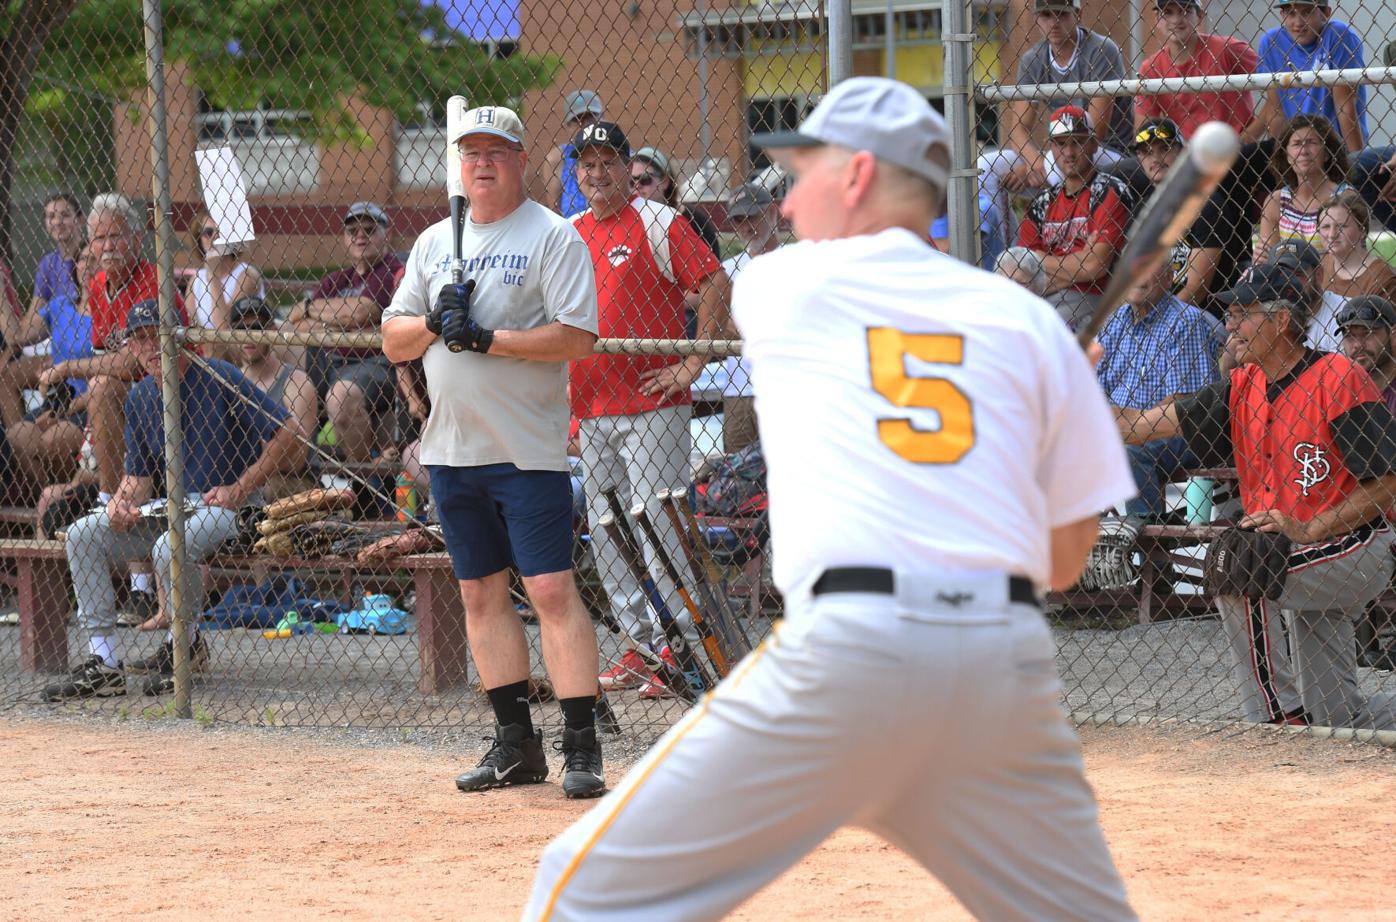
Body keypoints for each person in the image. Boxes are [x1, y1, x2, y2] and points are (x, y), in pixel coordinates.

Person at [527, 76, 1137, 921]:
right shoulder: (1027, 325)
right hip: (999, 675)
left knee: (582, 892)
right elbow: (1064, 560)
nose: (786, 203)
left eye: (806, 174)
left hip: (850, 661)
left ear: (857, 178)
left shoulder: (786, 291)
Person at [380, 105, 606, 799]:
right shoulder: (430, 245)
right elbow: (393, 339)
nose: (482, 163)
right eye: (470, 152)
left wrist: (486, 338)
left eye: (496, 151)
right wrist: (433, 320)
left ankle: (581, 744)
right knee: (479, 592)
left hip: (527, 448)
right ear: (458, 164)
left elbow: (577, 337)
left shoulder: (552, 236)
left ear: (519, 157)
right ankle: (516, 744)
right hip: (451, 449)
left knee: (547, 589)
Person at [1116, 263, 1396, 728]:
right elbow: (1138, 427)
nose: (1228, 325)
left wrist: (1309, 528)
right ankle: (1315, 721)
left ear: (1282, 321)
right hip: (1294, 552)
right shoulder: (1243, 386)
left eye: (1242, 314)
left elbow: (1387, 481)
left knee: (1239, 566)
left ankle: (1275, 722)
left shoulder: (1337, 377)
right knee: (1340, 719)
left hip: (1355, 547)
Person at [41, 298, 301, 701]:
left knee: (169, 545)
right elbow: (138, 480)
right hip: (171, 509)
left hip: (229, 507)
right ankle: (105, 663)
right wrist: (120, 503)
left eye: (154, 337)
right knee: (82, 534)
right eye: (138, 340)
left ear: (180, 339)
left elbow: (287, 429)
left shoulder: (217, 374)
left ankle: (183, 647)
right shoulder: (142, 396)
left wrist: (241, 487)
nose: (147, 348)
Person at [568, 119, 731, 700]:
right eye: (586, 163)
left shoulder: (658, 220)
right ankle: (641, 647)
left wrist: (693, 363)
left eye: (607, 161)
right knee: (608, 533)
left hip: (651, 404)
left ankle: (682, 646)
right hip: (592, 407)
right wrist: (569, 410)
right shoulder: (570, 233)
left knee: (658, 526)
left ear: (625, 165)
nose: (596, 172)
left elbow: (714, 282)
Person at [977, 0, 1130, 243]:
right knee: (986, 167)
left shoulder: (1101, 49)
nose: (1053, 22)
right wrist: (1035, 162)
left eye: (1061, 14)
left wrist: (1047, 165)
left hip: (1108, 151)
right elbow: (1017, 128)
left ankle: (1066, 250)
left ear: (1078, 15)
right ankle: (1010, 252)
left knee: (1057, 164)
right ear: (1036, 18)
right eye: (1046, 14)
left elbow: (1094, 131)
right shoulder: (1033, 58)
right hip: (1058, 155)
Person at [1095, 260, 1224, 528]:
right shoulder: (1115, 322)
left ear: (1168, 278)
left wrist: (1128, 424)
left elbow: (1185, 403)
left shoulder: (1184, 321)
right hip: (1119, 426)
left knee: (1131, 450)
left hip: (1179, 430)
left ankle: (1147, 545)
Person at [285, 202, 403, 466]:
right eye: (352, 231)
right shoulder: (336, 279)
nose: (360, 236)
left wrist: (316, 313)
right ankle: (302, 469)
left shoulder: (392, 271)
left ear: (387, 235)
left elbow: (362, 311)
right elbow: (296, 321)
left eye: (369, 229)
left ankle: (365, 482)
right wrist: (341, 322)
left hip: (376, 363)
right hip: (329, 360)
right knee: (281, 343)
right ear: (344, 238)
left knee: (340, 395)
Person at [1014, 105, 1132, 331]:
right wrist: (1078, 263)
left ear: (1094, 144)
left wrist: (1041, 261)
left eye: (1077, 142)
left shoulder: (1108, 191)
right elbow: (1022, 272)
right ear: (1051, 148)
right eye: (1061, 143)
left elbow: (1094, 266)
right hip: (1045, 300)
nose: (1069, 152)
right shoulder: (1041, 204)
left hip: (1094, 301)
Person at [1132, 117, 1256, 313]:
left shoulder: (1206, 205)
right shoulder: (1142, 209)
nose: (1155, 158)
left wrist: (1159, 322)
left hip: (1202, 315)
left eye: (1164, 148)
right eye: (1146, 152)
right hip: (1153, 312)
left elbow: (1197, 289)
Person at [3, 244, 96, 494]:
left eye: (94, 259)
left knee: (52, 440)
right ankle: (45, 500)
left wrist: (62, 413)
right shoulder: (60, 306)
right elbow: (19, 336)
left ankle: (65, 503)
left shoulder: (108, 312)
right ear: (75, 267)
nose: (88, 265)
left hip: (88, 408)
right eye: (83, 259)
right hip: (55, 400)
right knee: (16, 437)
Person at [1245, 0, 1368, 153]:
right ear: (1282, 15)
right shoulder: (1271, 42)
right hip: (1295, 147)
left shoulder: (1338, 35)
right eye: (1291, 13)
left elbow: (1344, 105)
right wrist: (1280, 162)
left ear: (1326, 13)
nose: (1298, 22)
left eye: (1307, 12)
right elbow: (1276, 110)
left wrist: (1356, 161)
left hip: (1334, 147)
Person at [230, 296, 317, 501]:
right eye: (241, 329)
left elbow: (296, 458)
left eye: (257, 327)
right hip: (237, 481)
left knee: (274, 486)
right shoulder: (229, 381)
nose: (249, 335)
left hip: (290, 484)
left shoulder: (297, 382)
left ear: (272, 331)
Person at [630, 146, 723, 339]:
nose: (638, 186)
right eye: (631, 181)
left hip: (684, 313)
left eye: (645, 180)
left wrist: (658, 303)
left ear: (665, 182)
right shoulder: (628, 224)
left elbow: (709, 288)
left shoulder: (692, 222)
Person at [718, 182, 782, 454]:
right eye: (737, 219)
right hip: (740, 388)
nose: (745, 226)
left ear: (773, 212)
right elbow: (719, 324)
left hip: (784, 384)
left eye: (751, 216)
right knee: (738, 476)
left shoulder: (795, 261)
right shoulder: (727, 270)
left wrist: (740, 324)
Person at [1136, 0, 1258, 140]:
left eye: (1185, 11)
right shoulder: (1151, 68)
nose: (1176, 20)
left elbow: (1275, 90)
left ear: (1200, 16)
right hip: (1187, 154)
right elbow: (1144, 128)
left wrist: (1242, 142)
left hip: (1236, 148)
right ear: (1157, 19)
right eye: (1167, 13)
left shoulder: (1227, 49)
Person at [1255, 115, 1350, 260]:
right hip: (1286, 281)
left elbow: (1349, 259)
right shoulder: (1276, 201)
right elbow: (1266, 262)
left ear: (1327, 154)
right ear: (1286, 154)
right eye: (1296, 144)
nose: (1304, 151)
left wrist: (1286, 258)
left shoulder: (1345, 197)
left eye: (1311, 143)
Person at [1314, 191, 1396, 350]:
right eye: (1325, 226)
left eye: (1342, 226)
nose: (1331, 235)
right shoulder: (1319, 266)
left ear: (1362, 231)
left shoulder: (1381, 277)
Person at [186, 209, 264, 361]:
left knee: (217, 346)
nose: (215, 237)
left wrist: (214, 276)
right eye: (208, 232)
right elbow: (190, 326)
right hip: (204, 353)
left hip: (238, 353)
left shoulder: (246, 276)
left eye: (221, 231)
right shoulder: (196, 280)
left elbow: (223, 328)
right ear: (199, 239)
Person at [540, 90, 604, 218]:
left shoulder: (619, 152)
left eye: (591, 117)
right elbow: (554, 213)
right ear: (567, 126)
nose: (585, 124)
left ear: (602, 117)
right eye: (577, 119)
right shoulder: (557, 159)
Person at [1337, 295, 1396, 412]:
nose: (1358, 345)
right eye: (1349, 336)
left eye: (1368, 333)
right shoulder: (1340, 393)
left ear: (1393, 335)